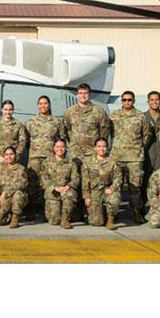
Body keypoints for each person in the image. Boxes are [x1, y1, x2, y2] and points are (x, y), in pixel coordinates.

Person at [63, 83, 111, 222]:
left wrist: (97, 149)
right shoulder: (70, 112)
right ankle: (76, 212)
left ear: (89, 94)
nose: (83, 95)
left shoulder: (98, 111)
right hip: (76, 154)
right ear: (77, 94)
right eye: (80, 93)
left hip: (92, 155)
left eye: (85, 93)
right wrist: (74, 144)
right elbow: (66, 130)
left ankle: (91, 212)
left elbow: (104, 132)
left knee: (92, 183)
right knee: (75, 182)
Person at [110, 90, 153, 224]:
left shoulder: (140, 116)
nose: (127, 102)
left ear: (133, 101)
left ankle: (137, 213)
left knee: (135, 188)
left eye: (129, 100)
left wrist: (138, 148)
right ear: (121, 101)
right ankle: (113, 213)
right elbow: (109, 132)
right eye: (124, 100)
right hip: (117, 157)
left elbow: (147, 135)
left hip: (134, 158)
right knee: (115, 187)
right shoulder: (114, 115)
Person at [25, 95, 66, 221]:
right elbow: (26, 140)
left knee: (49, 184)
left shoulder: (56, 122)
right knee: (32, 184)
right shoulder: (31, 122)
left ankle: (46, 210)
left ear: (49, 105)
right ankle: (31, 209)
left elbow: (61, 139)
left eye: (45, 103)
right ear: (38, 106)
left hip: (50, 159)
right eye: (41, 104)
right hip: (35, 158)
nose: (43, 106)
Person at [81, 137, 122, 230]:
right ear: (95, 148)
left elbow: (118, 177)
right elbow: (85, 181)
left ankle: (110, 221)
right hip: (94, 192)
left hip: (107, 190)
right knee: (96, 223)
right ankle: (101, 213)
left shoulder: (112, 161)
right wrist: (87, 196)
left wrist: (112, 188)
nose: (102, 149)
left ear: (107, 148)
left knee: (114, 198)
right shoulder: (87, 162)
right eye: (99, 146)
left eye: (104, 146)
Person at [39, 139, 80, 229]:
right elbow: (44, 177)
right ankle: (58, 216)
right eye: (57, 147)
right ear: (54, 148)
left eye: (62, 147)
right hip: (53, 191)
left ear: (66, 148)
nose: (60, 149)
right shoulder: (47, 162)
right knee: (54, 221)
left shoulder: (71, 163)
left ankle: (65, 219)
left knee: (70, 195)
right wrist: (55, 187)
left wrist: (67, 187)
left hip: (66, 190)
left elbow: (76, 178)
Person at [141, 90, 160, 211]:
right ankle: (140, 210)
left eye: (157, 99)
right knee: (143, 183)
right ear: (148, 102)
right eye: (152, 100)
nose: (154, 102)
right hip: (146, 156)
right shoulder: (142, 117)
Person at [0, 147, 28, 228]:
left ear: (15, 155)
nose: (9, 157)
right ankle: (8, 216)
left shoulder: (21, 169)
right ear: (4, 156)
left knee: (18, 194)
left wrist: (6, 192)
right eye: (7, 155)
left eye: (11, 154)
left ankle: (15, 216)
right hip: (5, 200)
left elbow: (22, 184)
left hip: (17, 198)